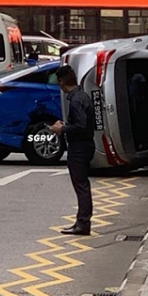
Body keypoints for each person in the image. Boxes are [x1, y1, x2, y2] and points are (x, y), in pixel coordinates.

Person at [49, 65, 95, 236]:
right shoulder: (82, 95)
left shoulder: (75, 100)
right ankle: (82, 221)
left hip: (79, 147)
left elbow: (81, 125)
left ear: (62, 82)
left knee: (81, 185)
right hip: (85, 144)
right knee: (82, 184)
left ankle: (83, 223)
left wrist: (62, 129)